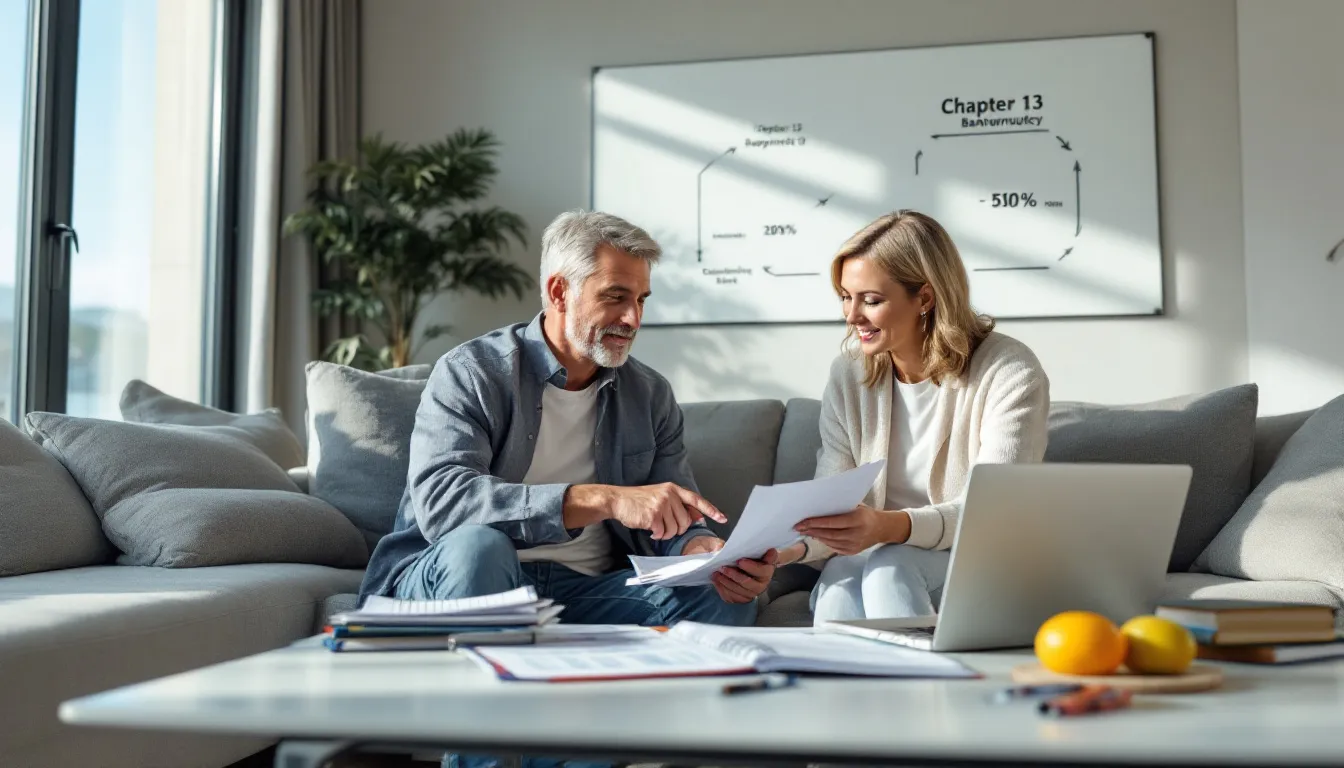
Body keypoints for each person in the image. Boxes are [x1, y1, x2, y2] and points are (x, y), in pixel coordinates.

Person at [358, 209, 777, 631]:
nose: (633, 319)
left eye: (641, 300)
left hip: (588, 592)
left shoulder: (650, 395)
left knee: (721, 596)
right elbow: (445, 505)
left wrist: (701, 552)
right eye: (615, 297)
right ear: (559, 291)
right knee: (481, 549)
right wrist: (607, 499)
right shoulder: (472, 372)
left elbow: (671, 518)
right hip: (467, 574)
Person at [773, 210, 1050, 624]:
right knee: (841, 581)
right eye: (846, 297)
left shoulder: (1008, 371)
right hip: (875, 553)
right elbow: (832, 505)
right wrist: (783, 553)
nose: (851, 317)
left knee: (891, 568)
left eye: (871, 300)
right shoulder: (849, 375)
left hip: (975, 557)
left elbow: (990, 514)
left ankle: (931, 686)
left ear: (924, 297)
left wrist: (887, 527)